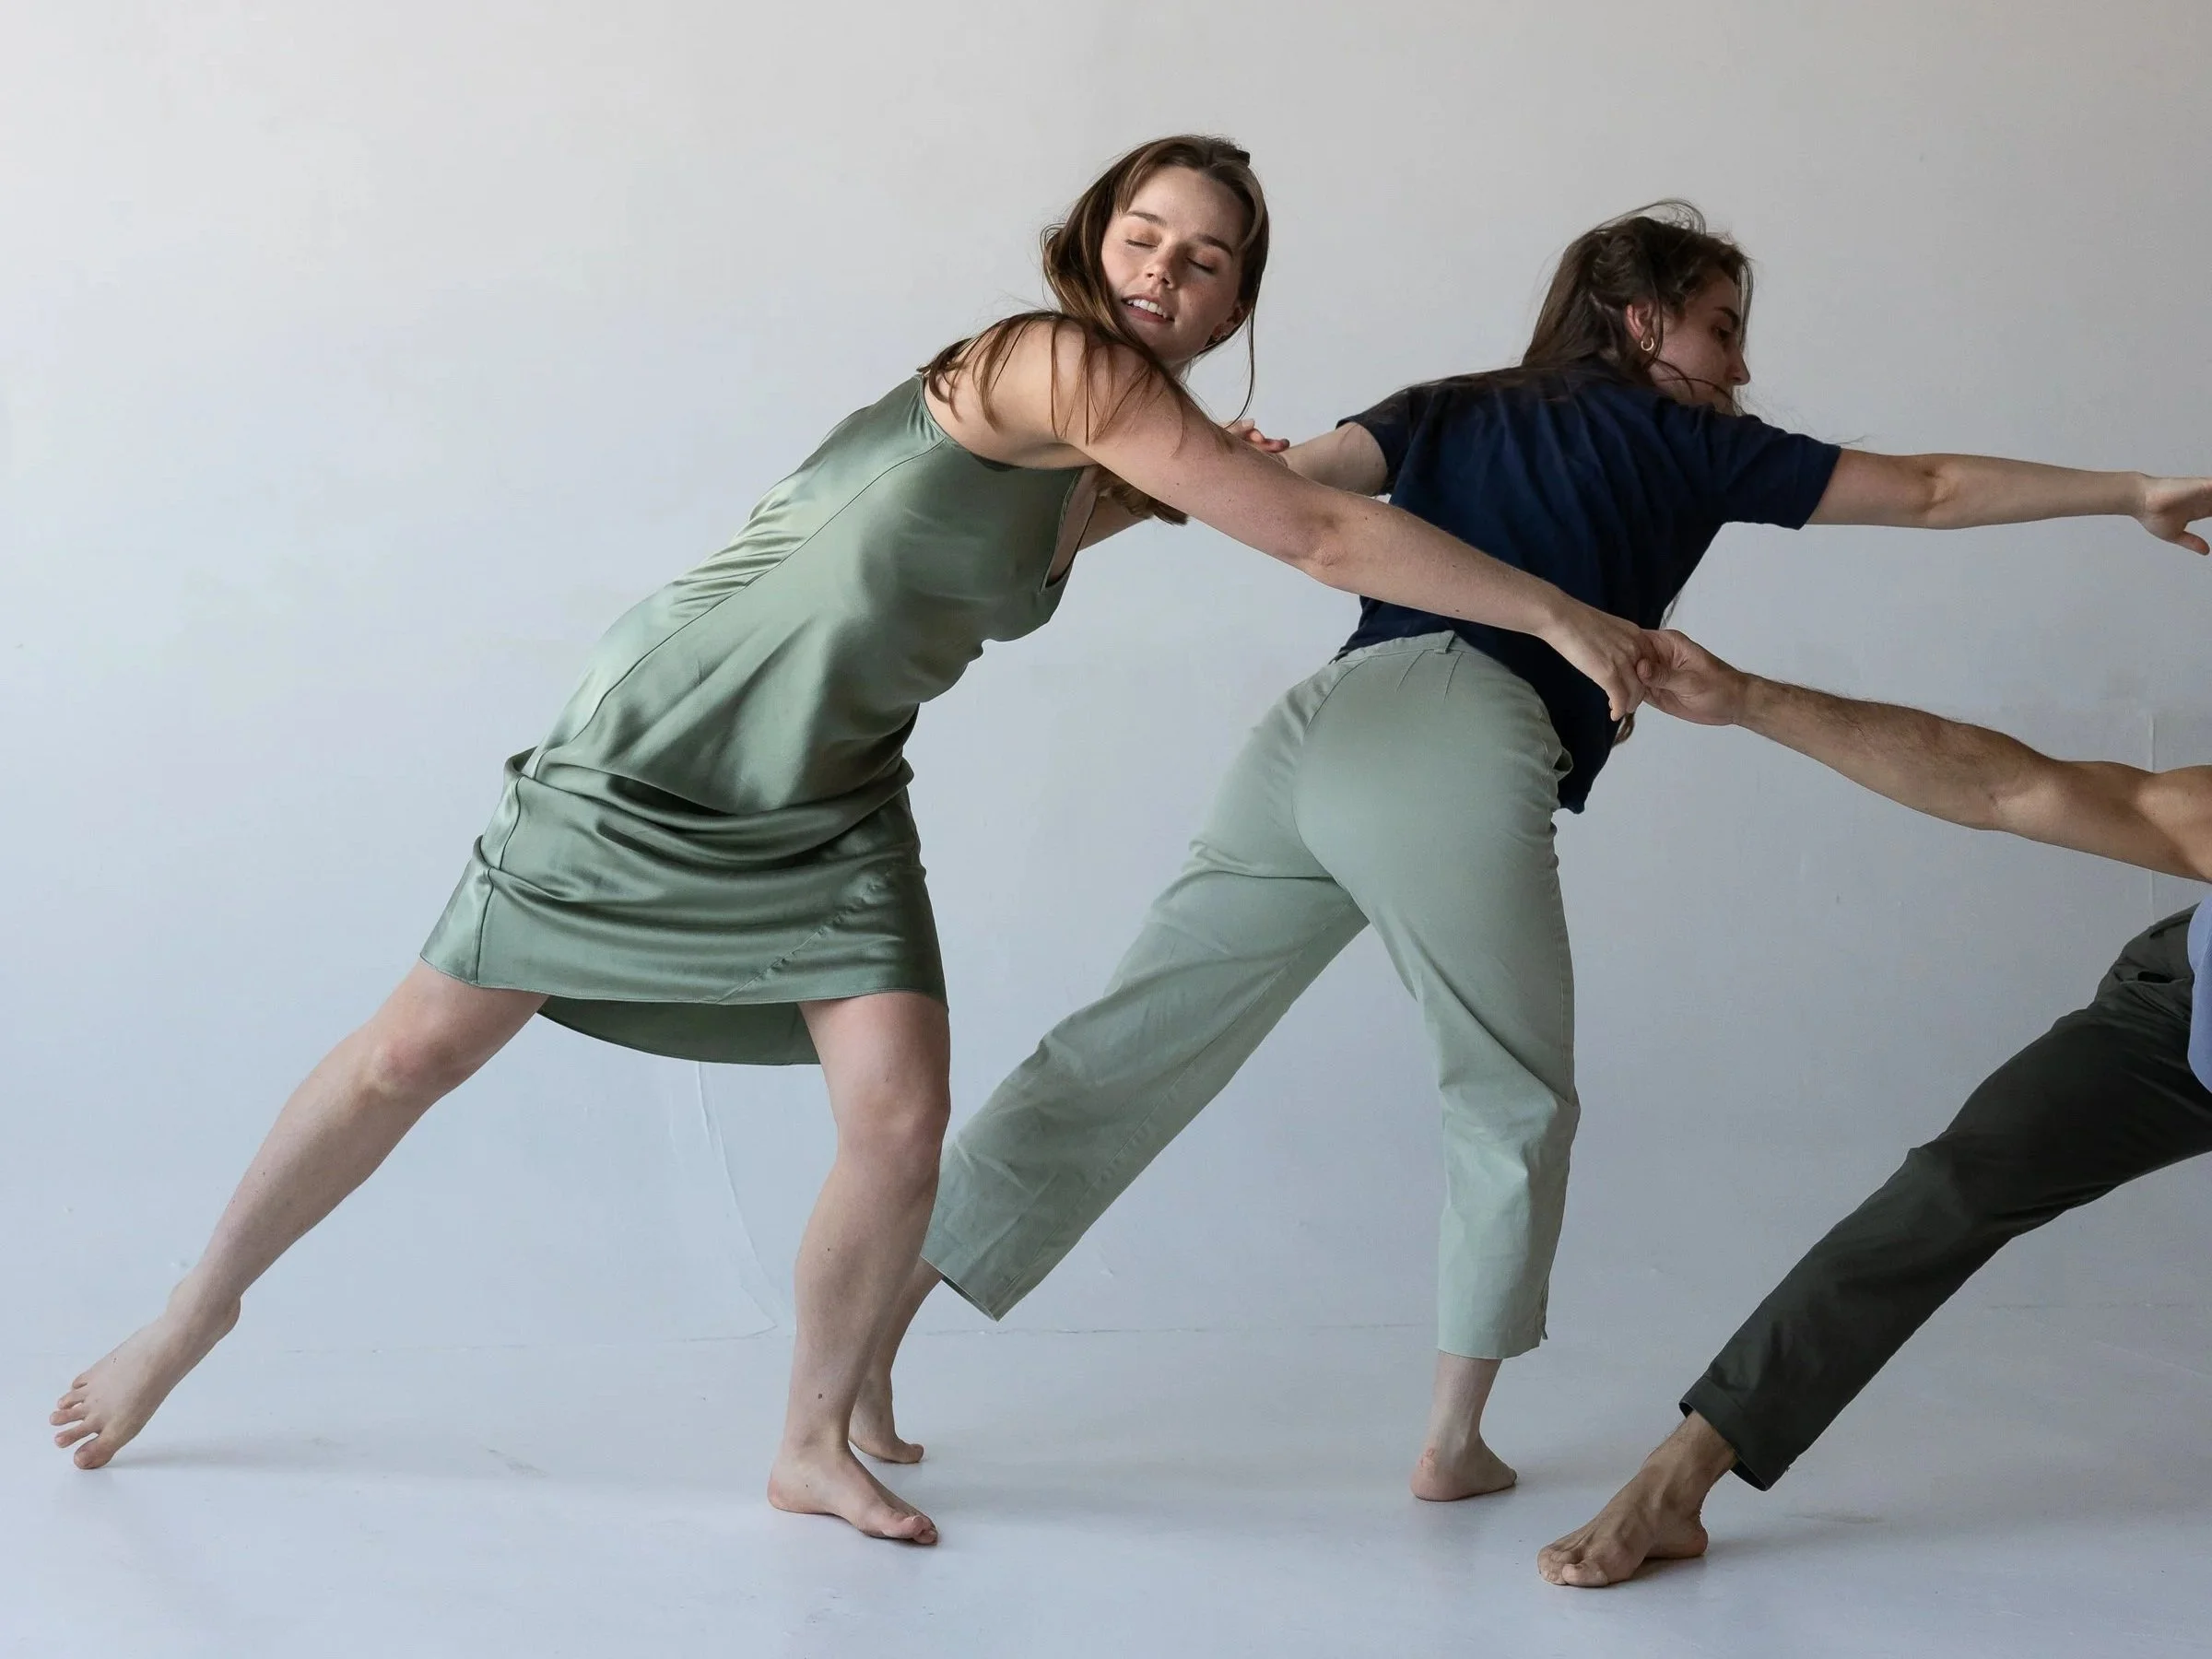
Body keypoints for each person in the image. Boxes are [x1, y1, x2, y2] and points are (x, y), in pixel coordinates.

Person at [45, 135, 1666, 1547]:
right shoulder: (1051, 362)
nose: (1165, 272)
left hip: (831, 790)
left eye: (1206, 260)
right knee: (418, 1051)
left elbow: (1261, 489)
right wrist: (1559, 613)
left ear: (1235, 305)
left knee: (897, 1120)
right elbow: (1312, 535)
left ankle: (810, 1441)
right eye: (1143, 236)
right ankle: (191, 1316)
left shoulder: (1108, 459)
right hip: (671, 739)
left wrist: (1414, 458)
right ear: (1092, 242)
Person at [862, 204, 2212, 1508]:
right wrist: (2130, 492)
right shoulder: (1693, 441)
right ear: (1644, 322)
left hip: (1317, 730)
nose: (1741, 366)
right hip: (1458, 732)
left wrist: (1109, 462)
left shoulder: (1450, 404)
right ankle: (1452, 1446)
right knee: (1507, 1095)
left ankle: (860, 1358)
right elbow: (1929, 490)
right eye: (1723, 328)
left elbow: (1269, 485)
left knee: (1123, 1047)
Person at [1540, 628, 2212, 1586]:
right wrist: (1749, 698)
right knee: (1954, 1185)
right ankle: (1676, 1479)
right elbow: (2007, 787)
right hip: (2182, 1020)